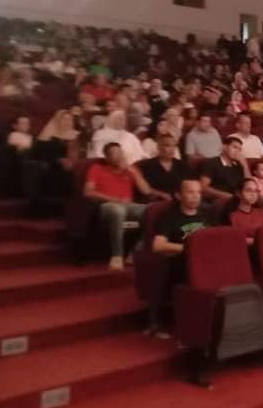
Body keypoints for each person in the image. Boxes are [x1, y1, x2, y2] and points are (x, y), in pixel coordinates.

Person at [84, 142, 160, 270]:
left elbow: (146, 191)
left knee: (154, 212)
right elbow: (88, 192)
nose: (120, 156)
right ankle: (117, 256)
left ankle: (135, 252)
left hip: (129, 206)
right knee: (118, 210)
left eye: (121, 152)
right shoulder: (96, 168)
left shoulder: (131, 169)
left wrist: (132, 171)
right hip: (107, 205)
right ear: (107, 157)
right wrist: (116, 200)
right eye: (115, 154)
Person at [150, 178, 211, 332]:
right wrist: (189, 248)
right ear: (178, 195)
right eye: (190, 192)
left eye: (198, 192)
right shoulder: (168, 217)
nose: (196, 196)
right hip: (182, 260)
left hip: (207, 260)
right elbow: (158, 245)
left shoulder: (207, 214)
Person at [138, 134, 189, 200]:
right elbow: (145, 189)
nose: (172, 149)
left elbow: (189, 185)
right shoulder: (147, 165)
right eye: (167, 146)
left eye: (174, 146)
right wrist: (161, 194)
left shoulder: (182, 166)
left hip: (179, 201)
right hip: (155, 201)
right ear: (158, 147)